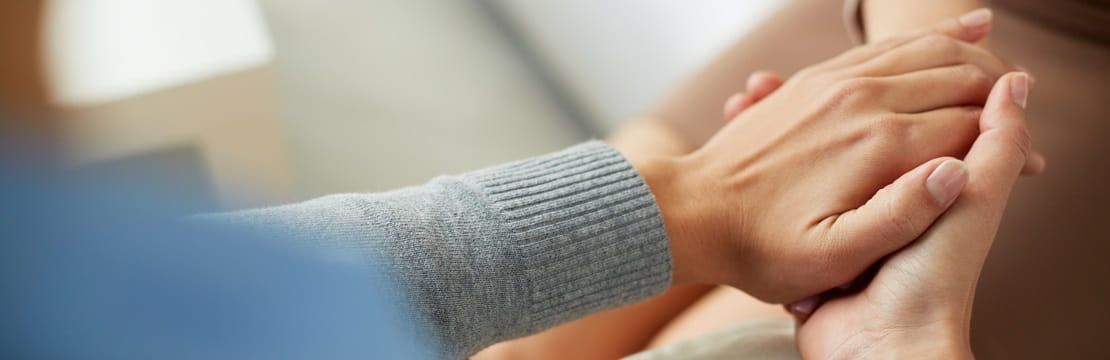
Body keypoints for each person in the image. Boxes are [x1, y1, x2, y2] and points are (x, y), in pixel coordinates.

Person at [479, 1, 1109, 358]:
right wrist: (897, 77)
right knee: (518, 341)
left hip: (1083, 102)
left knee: (729, 352)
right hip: (896, 24)